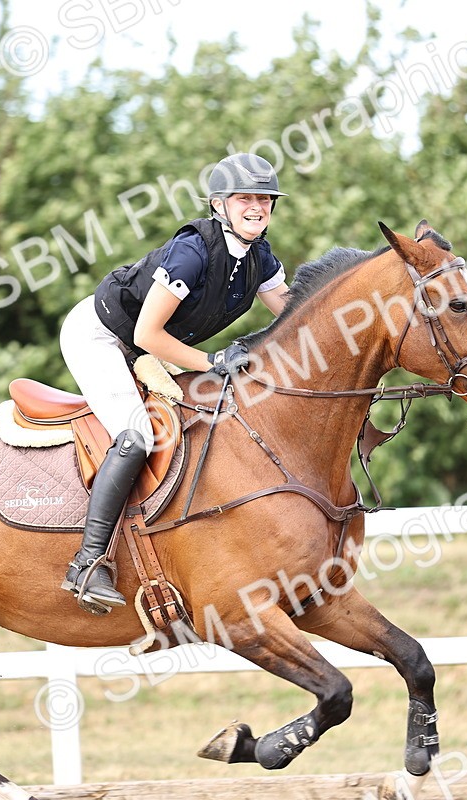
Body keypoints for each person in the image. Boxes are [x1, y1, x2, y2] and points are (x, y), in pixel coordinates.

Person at [58, 153, 289, 614]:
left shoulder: (260, 259)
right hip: (102, 336)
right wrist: (212, 360)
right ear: (219, 204)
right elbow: (146, 333)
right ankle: (87, 564)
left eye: (264, 199)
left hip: (147, 348)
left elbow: (295, 317)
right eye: (244, 198)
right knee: (137, 436)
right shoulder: (194, 251)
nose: (256, 207)